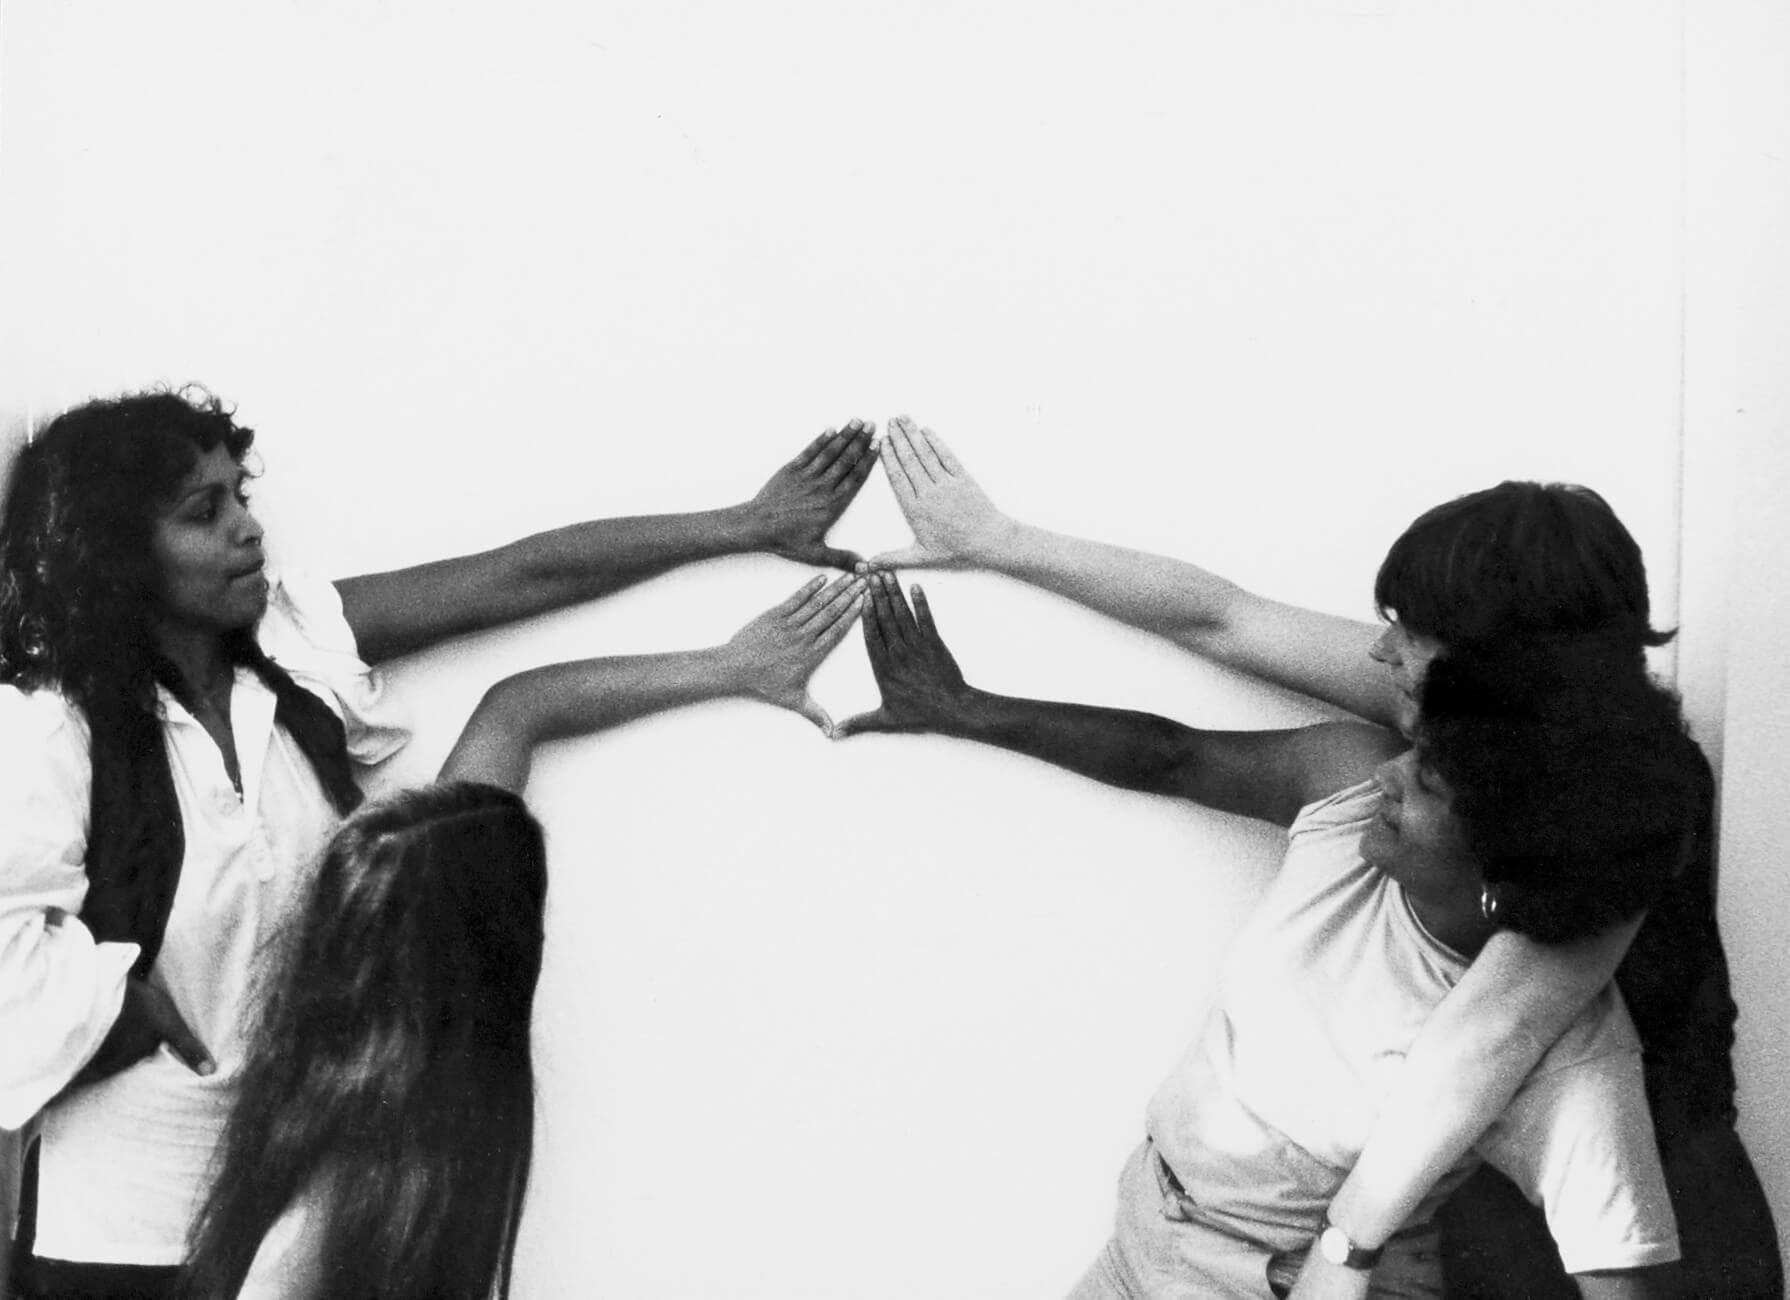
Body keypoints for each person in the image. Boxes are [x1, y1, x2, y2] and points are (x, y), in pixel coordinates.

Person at [860, 416, 1780, 1299]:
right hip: (1462, 1202)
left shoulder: (1624, 799)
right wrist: (997, 540)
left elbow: (1491, 1037)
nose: (1384, 651)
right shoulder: (1463, 734)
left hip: (1634, 1211)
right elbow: (1222, 619)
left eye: (1412, 632)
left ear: (1500, 662)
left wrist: (1348, 1244)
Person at [0, 386, 874, 1298]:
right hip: (121, 1239)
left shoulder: (287, 662)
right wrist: (131, 1005)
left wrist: (745, 525)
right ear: (117, 557)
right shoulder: (48, 728)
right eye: (204, 512)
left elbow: (517, 579)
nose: (248, 530)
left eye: (240, 497)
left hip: (301, 1212)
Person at [177, 571, 867, 1300]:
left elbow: (519, 709)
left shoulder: (396, 976)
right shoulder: (346, 1172)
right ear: (496, 950)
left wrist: (732, 664)